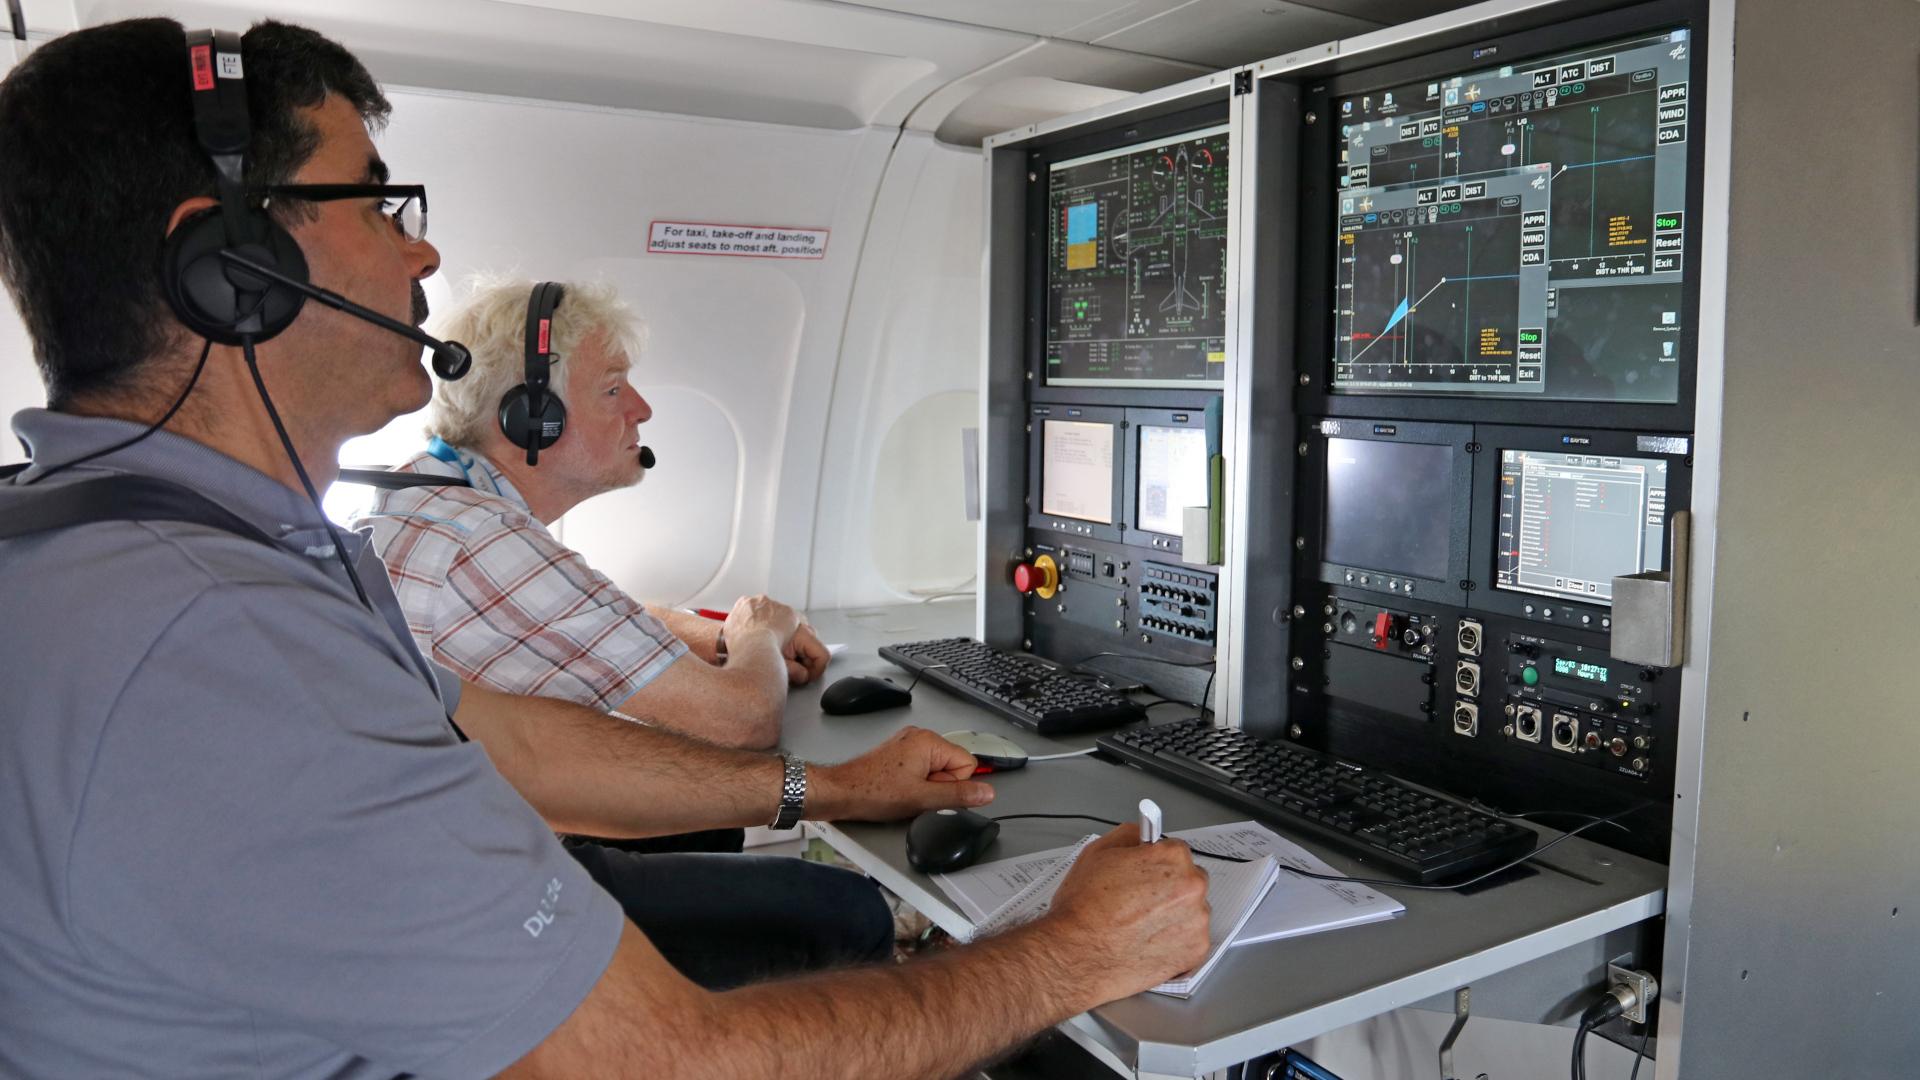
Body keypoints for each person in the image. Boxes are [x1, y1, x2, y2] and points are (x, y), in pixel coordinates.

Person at [0, 18, 1212, 1080]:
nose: (418, 252)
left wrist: (831, 788)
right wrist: (1069, 952)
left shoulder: (203, 556)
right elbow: (658, 1061)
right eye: (375, 201)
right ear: (232, 270)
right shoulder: (213, 635)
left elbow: (507, 740)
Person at [350, 276, 821, 754]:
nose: (642, 409)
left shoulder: (428, 493)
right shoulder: (484, 539)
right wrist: (761, 628)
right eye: (613, 389)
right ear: (534, 418)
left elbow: (591, 613)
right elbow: (742, 720)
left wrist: (725, 638)